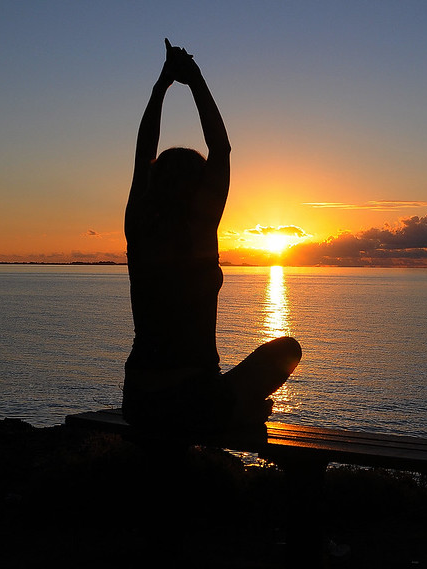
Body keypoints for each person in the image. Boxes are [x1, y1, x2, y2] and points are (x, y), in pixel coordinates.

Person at [122, 39, 301, 434]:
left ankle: (239, 410)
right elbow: (221, 148)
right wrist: (195, 78)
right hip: (193, 399)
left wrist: (162, 85)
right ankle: (239, 413)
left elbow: (142, 154)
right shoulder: (200, 230)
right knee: (287, 350)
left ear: (154, 183)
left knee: (229, 396)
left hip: (138, 401)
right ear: (199, 187)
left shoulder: (139, 230)